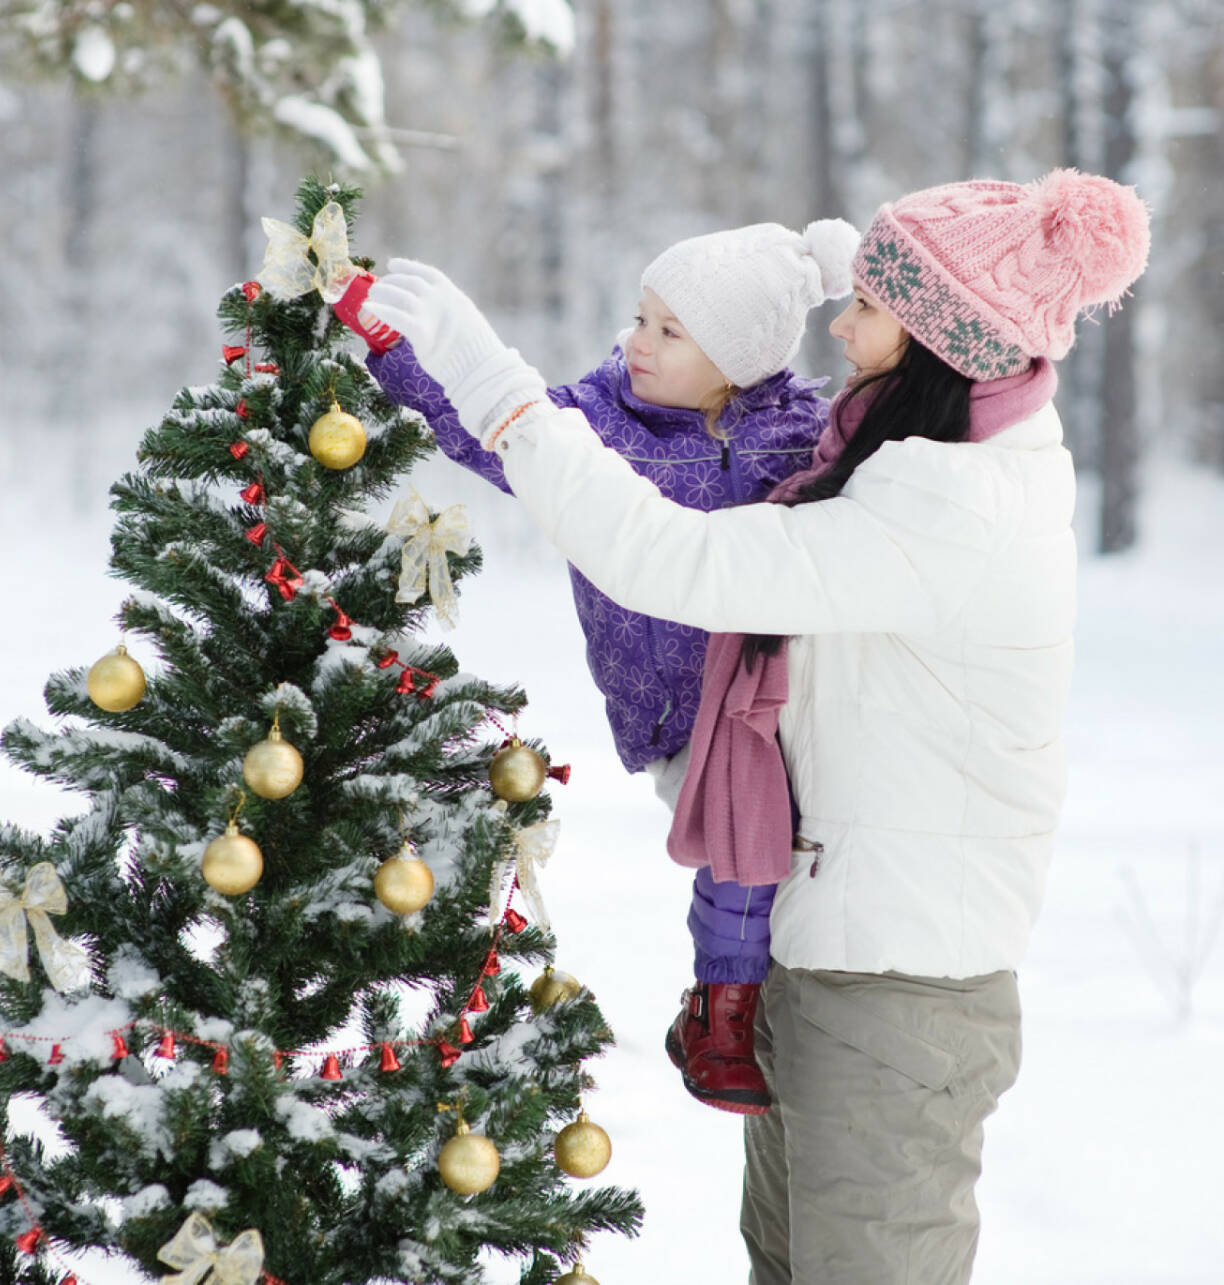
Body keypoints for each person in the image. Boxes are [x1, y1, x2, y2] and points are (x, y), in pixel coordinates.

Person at [362, 169, 1151, 1283]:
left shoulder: (953, 507)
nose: (841, 322)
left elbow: (676, 560)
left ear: (937, 340)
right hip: (832, 960)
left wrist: (498, 387)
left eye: (870, 306)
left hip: (895, 996)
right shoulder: (893, 467)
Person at [333, 219, 859, 1115]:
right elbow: (491, 432)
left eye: (668, 331)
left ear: (738, 360)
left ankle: (746, 1001)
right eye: (640, 317)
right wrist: (391, 348)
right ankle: (723, 1007)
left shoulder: (806, 434)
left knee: (794, 841)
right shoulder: (600, 419)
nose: (636, 341)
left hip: (780, 692)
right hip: (675, 704)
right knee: (744, 846)